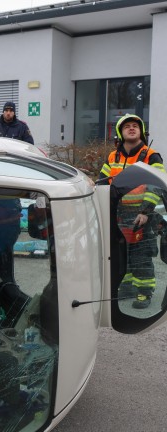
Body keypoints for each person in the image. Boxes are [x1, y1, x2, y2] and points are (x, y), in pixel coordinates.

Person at [99, 114, 165, 309]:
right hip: (119, 213)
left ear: (141, 131)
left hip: (142, 215)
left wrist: (145, 211)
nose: (131, 128)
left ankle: (145, 292)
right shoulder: (113, 156)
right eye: (127, 126)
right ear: (121, 132)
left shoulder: (151, 155)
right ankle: (126, 286)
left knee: (141, 255)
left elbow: (156, 186)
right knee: (121, 253)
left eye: (135, 125)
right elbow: (102, 182)